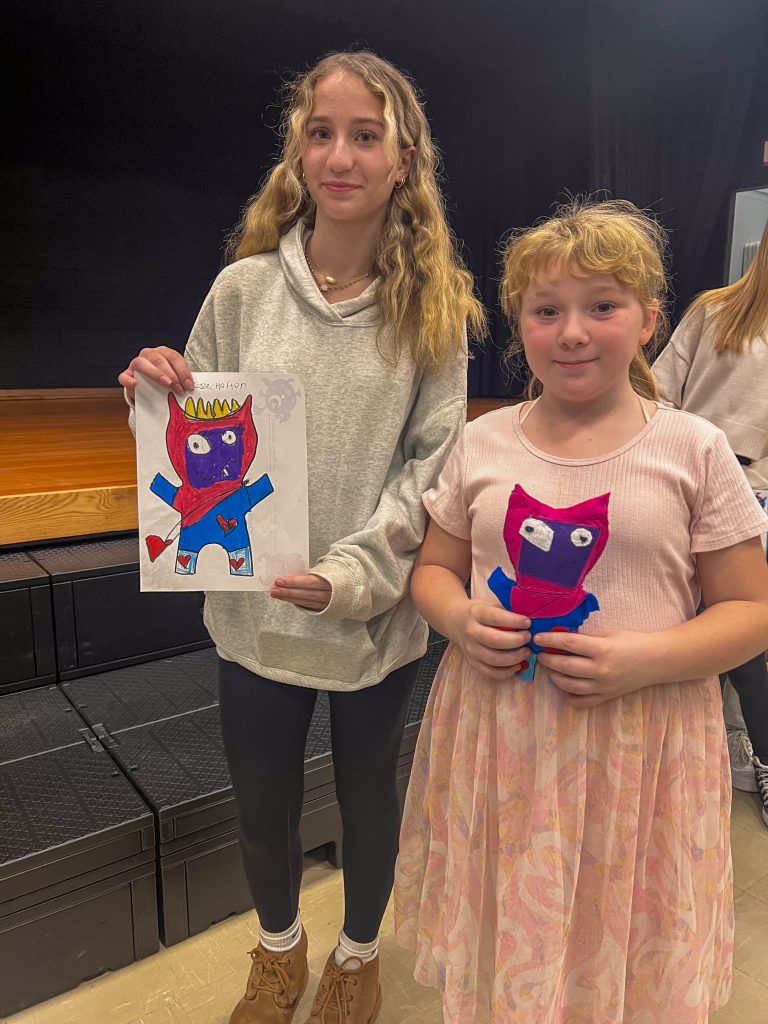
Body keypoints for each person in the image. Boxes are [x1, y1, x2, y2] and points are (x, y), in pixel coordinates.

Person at [118, 50, 484, 1024]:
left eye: (366, 135)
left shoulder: (433, 311)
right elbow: (195, 434)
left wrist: (356, 573)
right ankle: (279, 951)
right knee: (263, 808)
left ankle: (358, 956)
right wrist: (159, 387)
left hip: (371, 623)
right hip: (256, 618)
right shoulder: (241, 292)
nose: (341, 153)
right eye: (321, 132)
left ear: (404, 158)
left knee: (369, 802)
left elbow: (432, 466)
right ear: (298, 152)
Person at [393, 198, 768, 1024]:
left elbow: (751, 609)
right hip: (504, 741)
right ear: (518, 323)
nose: (573, 331)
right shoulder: (483, 442)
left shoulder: (692, 449)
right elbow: (434, 572)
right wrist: (456, 621)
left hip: (647, 746)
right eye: (547, 310)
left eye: (603, 306)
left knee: (625, 942)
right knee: (515, 945)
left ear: (647, 322)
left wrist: (649, 657)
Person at [653, 220, 768, 825]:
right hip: (681, 480)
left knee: (744, 635)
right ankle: (695, 757)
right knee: (673, 618)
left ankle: (751, 756)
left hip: (757, 498)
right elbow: (660, 390)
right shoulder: (717, 311)